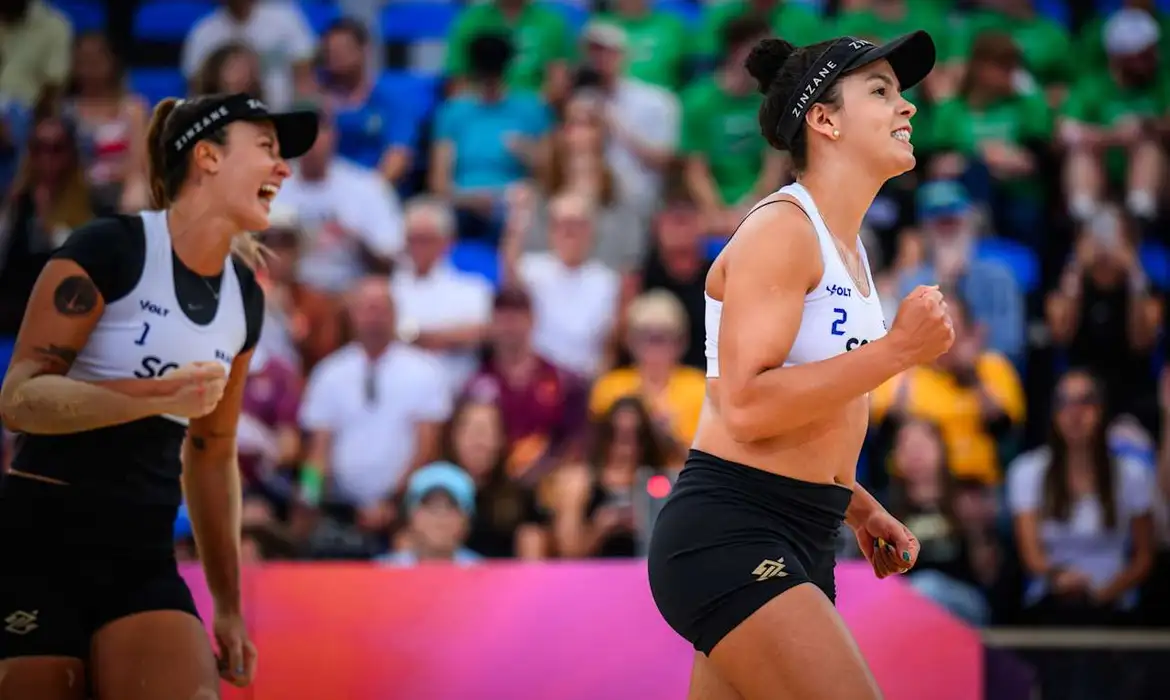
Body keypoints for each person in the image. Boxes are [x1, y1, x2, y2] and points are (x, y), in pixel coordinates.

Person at [647, 32, 955, 700]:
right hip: (734, 531)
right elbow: (747, 407)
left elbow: (813, 404)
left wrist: (857, 505)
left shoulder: (847, 246)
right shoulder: (783, 230)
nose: (907, 107)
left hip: (802, 527)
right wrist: (897, 351)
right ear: (824, 120)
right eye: (881, 92)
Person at [0, 92, 318, 700]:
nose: (283, 168)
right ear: (207, 157)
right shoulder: (108, 248)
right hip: (40, 538)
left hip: (140, 549)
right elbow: (19, 400)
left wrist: (228, 605)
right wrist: (153, 394)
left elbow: (212, 455)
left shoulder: (245, 298)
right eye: (267, 148)